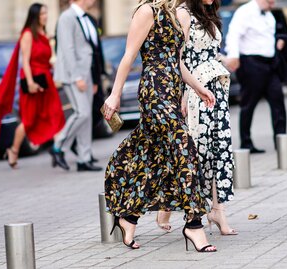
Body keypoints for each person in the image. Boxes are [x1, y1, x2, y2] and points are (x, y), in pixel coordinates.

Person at [103, 0, 217, 252]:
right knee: (184, 147)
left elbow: (177, 62)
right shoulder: (147, 11)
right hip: (154, 92)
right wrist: (115, 94)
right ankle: (194, 224)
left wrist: (198, 88)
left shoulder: (177, 15)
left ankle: (128, 217)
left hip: (173, 90)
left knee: (154, 155)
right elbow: (129, 55)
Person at [156, 0, 238, 236]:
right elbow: (177, 58)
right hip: (195, 92)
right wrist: (184, 93)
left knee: (219, 150)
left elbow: (211, 53)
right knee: (195, 151)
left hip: (217, 91)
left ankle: (218, 209)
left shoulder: (210, 13)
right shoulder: (182, 13)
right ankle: (169, 206)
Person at [0, 3, 65, 168]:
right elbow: (25, 62)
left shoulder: (44, 34)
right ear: (35, 16)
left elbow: (46, 59)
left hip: (46, 81)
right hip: (32, 81)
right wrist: (30, 82)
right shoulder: (27, 34)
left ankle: (58, 149)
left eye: (46, 13)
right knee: (28, 120)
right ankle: (13, 150)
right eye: (42, 14)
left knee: (56, 114)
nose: (46, 16)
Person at [225, 0, 287, 153]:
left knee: (278, 101)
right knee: (249, 104)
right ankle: (246, 143)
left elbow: (267, 36)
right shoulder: (244, 12)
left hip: (270, 64)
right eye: (270, 1)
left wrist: (279, 40)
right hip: (251, 64)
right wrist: (233, 57)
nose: (273, 4)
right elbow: (233, 35)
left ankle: (282, 141)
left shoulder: (268, 14)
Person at [53, 0, 102, 172]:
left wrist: (93, 79)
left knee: (87, 117)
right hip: (74, 74)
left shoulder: (85, 17)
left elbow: (91, 49)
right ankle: (58, 145)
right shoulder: (67, 17)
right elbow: (67, 49)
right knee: (82, 113)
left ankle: (84, 158)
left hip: (86, 72)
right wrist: (77, 77)